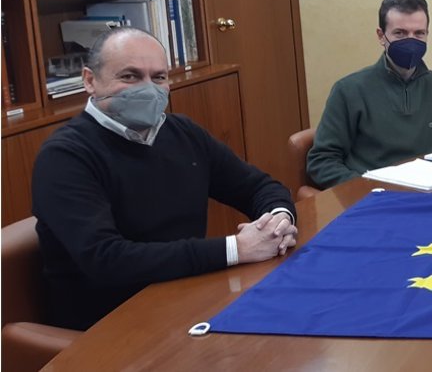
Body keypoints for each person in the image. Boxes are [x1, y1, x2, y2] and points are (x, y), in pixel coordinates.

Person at [32, 28, 297, 331]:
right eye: (130, 76)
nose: (148, 89)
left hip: (189, 298)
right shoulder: (65, 156)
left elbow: (257, 186)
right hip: (111, 325)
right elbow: (107, 259)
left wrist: (278, 222)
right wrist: (236, 248)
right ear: (90, 80)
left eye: (158, 77)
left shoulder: (182, 132)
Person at [307, 0, 432, 188]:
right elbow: (322, 161)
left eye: (419, 33)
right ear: (381, 36)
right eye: (400, 33)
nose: (411, 41)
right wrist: (365, 188)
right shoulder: (348, 90)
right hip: (376, 196)